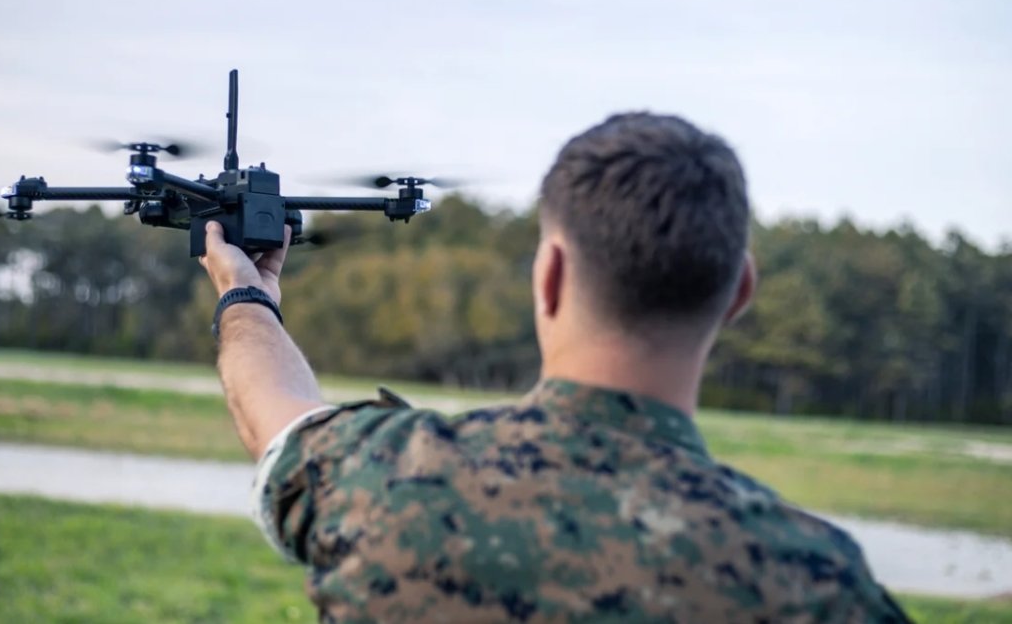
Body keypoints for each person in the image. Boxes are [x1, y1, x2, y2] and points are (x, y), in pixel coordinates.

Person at [199, 113, 910, 623]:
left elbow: (272, 408)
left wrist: (247, 293)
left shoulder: (383, 477)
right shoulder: (818, 584)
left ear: (549, 276)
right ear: (739, 295)